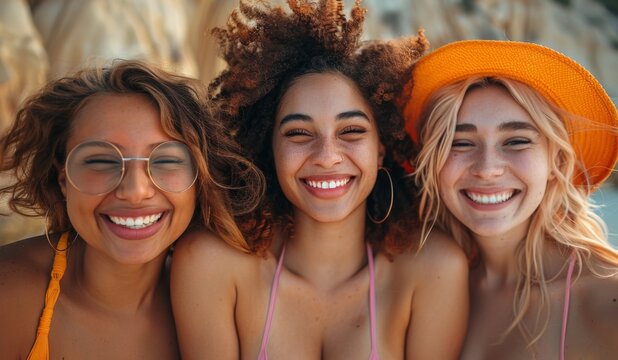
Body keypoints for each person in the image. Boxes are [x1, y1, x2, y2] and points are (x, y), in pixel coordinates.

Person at [170, 1, 469, 359]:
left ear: (381, 148)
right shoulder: (211, 265)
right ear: (269, 147)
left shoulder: (433, 271)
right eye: (298, 133)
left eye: (352, 131)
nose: (327, 155)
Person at [0, 60, 262, 359]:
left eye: (165, 161)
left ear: (198, 180)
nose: (135, 191)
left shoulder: (225, 304)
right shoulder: (8, 293)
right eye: (101, 161)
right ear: (64, 180)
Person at [403, 39, 618, 359]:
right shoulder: (425, 286)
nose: (487, 168)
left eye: (516, 141)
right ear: (432, 163)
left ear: (556, 163)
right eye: (460, 143)